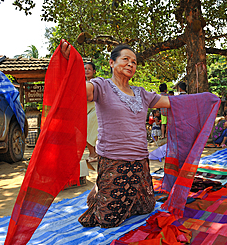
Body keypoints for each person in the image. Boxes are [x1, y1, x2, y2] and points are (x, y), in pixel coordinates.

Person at [60, 41, 171, 228]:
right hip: (114, 160)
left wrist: (202, 100)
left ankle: (100, 186)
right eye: (125, 59)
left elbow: (170, 103)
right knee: (108, 220)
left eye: (134, 62)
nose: (130, 64)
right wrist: (69, 64)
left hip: (140, 161)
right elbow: (80, 90)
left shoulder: (141, 93)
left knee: (146, 206)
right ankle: (100, 187)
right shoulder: (102, 86)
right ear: (112, 63)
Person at [84, 62, 99, 163]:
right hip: (85, 111)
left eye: (89, 69)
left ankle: (93, 154)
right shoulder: (80, 82)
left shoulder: (96, 82)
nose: (87, 71)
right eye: (85, 69)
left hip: (95, 110)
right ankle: (94, 153)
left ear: (94, 71)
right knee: (85, 132)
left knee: (90, 131)